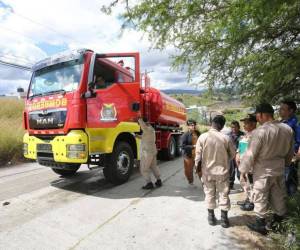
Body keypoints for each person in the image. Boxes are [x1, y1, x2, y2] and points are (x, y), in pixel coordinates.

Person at [239, 103, 294, 235]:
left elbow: (251, 154)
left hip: (263, 170)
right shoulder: (287, 129)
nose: (257, 118)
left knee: (260, 195)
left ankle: (260, 224)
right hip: (279, 169)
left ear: (262, 115)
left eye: (257, 115)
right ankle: (278, 223)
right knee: (279, 195)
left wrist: (243, 171)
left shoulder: (260, 132)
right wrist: (285, 164)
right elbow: (290, 152)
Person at [195, 115, 236, 228]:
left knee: (209, 194)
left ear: (211, 123)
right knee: (224, 194)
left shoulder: (202, 137)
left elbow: (197, 158)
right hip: (222, 173)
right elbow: (233, 154)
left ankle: (211, 218)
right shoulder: (226, 138)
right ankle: (224, 220)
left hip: (207, 173)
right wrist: (224, 158)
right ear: (222, 126)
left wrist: (198, 172)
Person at [236, 114, 257, 211]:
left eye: (246, 123)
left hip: (250, 167)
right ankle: (248, 198)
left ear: (253, 124)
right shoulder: (245, 135)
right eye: (244, 124)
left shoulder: (256, 135)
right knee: (245, 183)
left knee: (251, 184)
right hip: (243, 165)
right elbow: (241, 149)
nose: (244, 126)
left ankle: (252, 203)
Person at [279, 100, 300, 195]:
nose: (280, 111)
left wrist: (297, 156)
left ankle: (291, 204)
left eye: (283, 109)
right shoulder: (281, 122)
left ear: (291, 111)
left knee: (289, 181)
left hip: (292, 157)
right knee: (284, 182)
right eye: (280, 108)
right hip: (281, 157)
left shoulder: (296, 123)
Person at [137, 117, 162, 189]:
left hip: (147, 153)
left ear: (144, 123)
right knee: (154, 166)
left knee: (144, 169)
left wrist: (139, 118)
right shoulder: (151, 129)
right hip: (152, 152)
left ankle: (149, 183)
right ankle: (158, 180)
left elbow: (143, 127)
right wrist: (138, 136)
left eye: (140, 124)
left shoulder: (146, 129)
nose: (139, 126)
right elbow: (145, 136)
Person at [181, 119, 201, 185]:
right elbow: (182, 146)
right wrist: (193, 146)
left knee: (200, 170)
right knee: (188, 171)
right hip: (188, 156)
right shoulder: (185, 135)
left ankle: (203, 182)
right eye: (191, 125)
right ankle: (190, 181)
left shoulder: (198, 133)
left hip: (197, 155)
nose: (193, 126)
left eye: (194, 125)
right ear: (188, 126)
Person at [228, 121, 245, 189]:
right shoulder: (228, 135)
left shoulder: (243, 135)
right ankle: (230, 186)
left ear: (238, 127)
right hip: (231, 156)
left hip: (240, 156)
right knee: (231, 172)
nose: (234, 128)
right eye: (232, 127)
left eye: (235, 127)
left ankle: (243, 185)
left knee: (240, 172)